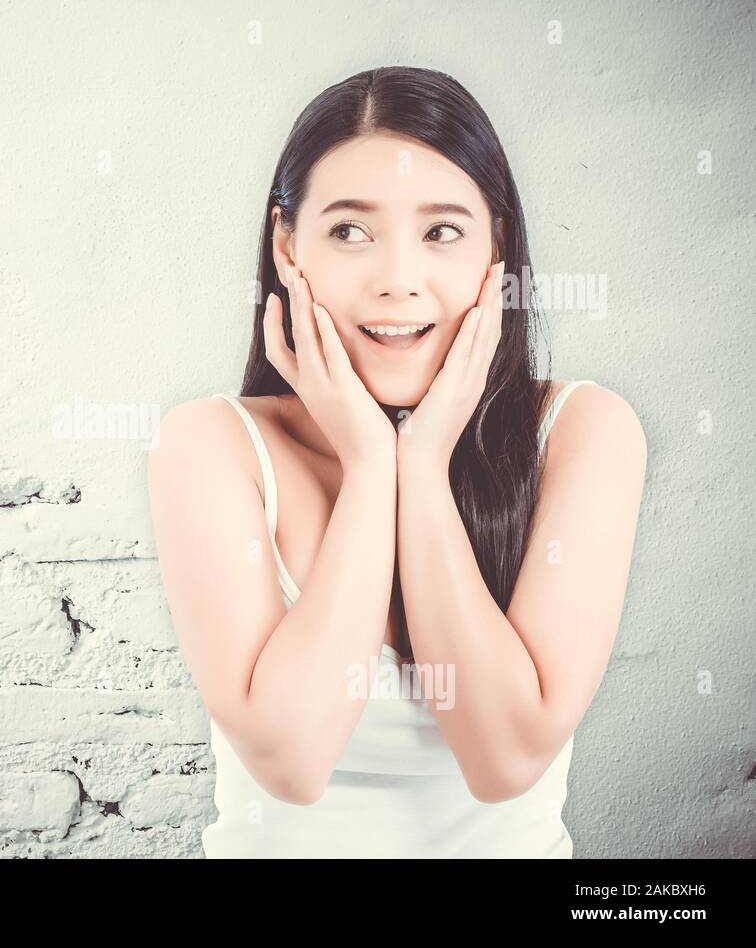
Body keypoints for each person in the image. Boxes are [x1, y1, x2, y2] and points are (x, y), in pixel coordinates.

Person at [145, 66, 648, 858]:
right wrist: (372, 466)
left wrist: (421, 467)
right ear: (286, 245)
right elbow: (292, 761)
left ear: (498, 248)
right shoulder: (211, 444)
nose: (397, 282)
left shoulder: (585, 431)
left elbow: (506, 759)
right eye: (350, 231)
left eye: (442, 231)